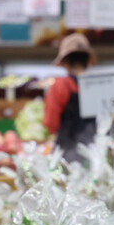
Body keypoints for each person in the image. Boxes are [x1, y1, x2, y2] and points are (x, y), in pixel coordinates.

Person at [43, 34, 97, 163]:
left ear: (65, 61)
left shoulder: (61, 85)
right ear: (87, 60)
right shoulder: (97, 84)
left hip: (68, 154)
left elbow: (51, 122)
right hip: (95, 152)